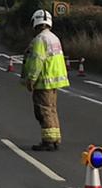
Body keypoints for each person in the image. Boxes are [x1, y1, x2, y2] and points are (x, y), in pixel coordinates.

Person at [21, 9, 70, 151]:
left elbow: (37, 61)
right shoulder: (54, 38)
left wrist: (31, 79)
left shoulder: (39, 40)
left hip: (43, 80)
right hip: (54, 80)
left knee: (43, 111)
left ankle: (48, 141)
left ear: (36, 22)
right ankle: (55, 139)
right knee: (52, 110)